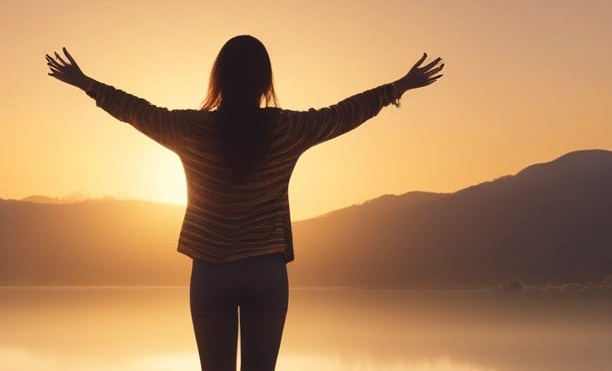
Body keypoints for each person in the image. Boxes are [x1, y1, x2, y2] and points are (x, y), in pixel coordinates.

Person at [46, 35, 443, 371]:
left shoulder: (192, 129)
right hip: (265, 271)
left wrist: (85, 82)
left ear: (218, 78)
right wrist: (399, 86)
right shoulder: (287, 128)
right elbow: (345, 114)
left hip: (211, 271)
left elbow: (136, 111)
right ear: (264, 81)